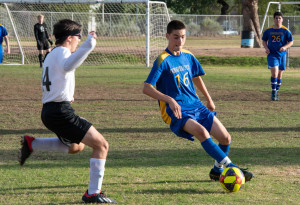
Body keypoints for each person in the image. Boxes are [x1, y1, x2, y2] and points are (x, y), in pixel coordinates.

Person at [143, 20, 254, 182]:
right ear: (167, 36)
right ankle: (233, 168)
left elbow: (196, 77)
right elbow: (146, 88)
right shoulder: (162, 60)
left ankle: (217, 171)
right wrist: (169, 100)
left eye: (182, 37)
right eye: (175, 37)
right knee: (202, 133)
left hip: (197, 106)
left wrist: (209, 99)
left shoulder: (188, 56)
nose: (179, 41)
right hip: (178, 111)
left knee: (225, 138)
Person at [19, 19, 116, 204]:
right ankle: (93, 193)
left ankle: (33, 144)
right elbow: (68, 66)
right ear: (70, 38)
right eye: (78, 39)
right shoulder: (63, 52)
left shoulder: (51, 54)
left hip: (50, 111)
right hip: (60, 111)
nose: (78, 42)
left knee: (76, 147)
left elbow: (56, 77)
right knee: (102, 145)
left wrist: (66, 93)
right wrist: (89, 44)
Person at [262, 11, 293, 101]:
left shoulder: (285, 30)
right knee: (275, 72)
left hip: (282, 55)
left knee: (279, 74)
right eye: (276, 18)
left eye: (279, 18)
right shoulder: (268, 30)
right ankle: (273, 92)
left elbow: (291, 41)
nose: (278, 19)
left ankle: (276, 92)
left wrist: (285, 47)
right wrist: (266, 48)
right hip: (272, 55)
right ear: (274, 19)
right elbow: (264, 40)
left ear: (282, 19)